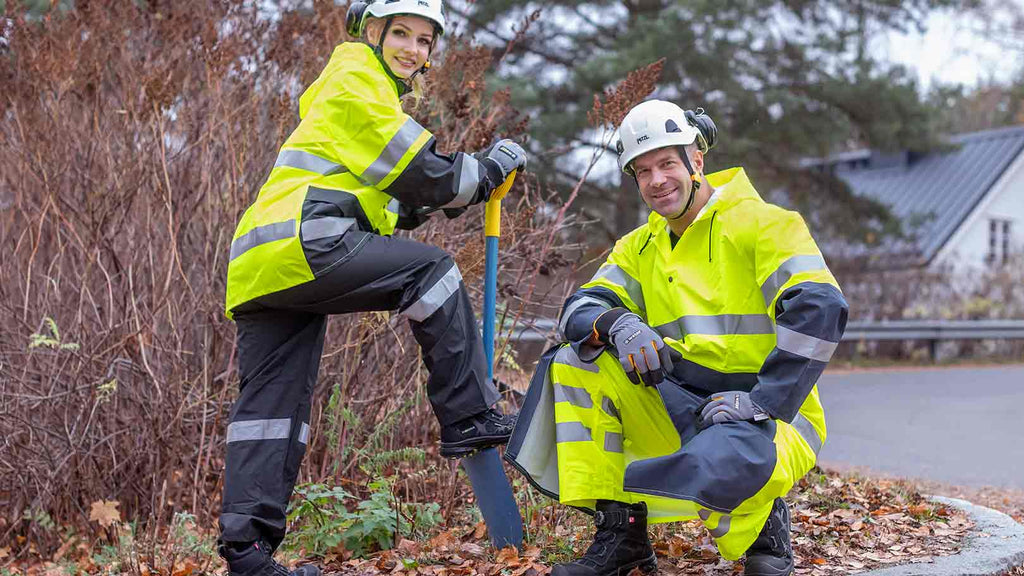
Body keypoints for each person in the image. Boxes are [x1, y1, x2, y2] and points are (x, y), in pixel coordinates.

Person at [217, 1, 527, 574]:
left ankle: (249, 554)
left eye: (424, 40)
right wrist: (480, 173)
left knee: (272, 412)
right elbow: (418, 167)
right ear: (372, 33)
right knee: (433, 274)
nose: (412, 48)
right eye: (401, 34)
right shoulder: (355, 73)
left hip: (262, 261)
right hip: (305, 241)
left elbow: (392, 196)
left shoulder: (348, 95)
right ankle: (470, 416)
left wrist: (442, 197)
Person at [505, 100, 848, 576]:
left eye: (668, 163)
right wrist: (619, 325)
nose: (657, 180)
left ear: (697, 161)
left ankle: (765, 525)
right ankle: (621, 531)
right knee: (575, 361)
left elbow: (822, 308)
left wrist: (764, 402)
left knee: (722, 459)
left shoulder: (767, 224)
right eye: (643, 171)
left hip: (767, 413)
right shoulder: (638, 246)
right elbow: (579, 309)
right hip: (678, 401)